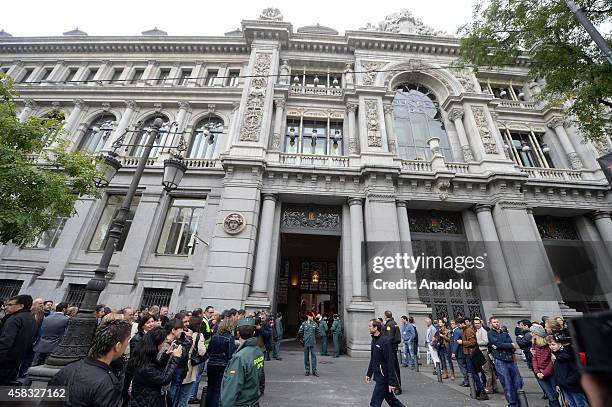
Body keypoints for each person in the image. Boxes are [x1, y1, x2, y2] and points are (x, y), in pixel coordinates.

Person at [49, 319, 132, 407]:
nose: (127, 344)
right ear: (118, 346)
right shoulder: (107, 385)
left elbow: (47, 402)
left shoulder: (67, 369)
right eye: (127, 340)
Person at [128, 326, 183, 407]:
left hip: (148, 398)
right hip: (145, 401)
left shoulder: (145, 354)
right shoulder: (145, 363)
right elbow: (164, 379)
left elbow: (156, 370)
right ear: (157, 343)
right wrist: (175, 359)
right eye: (163, 341)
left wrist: (166, 355)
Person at [220, 317, 264, 407]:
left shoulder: (239, 357)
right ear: (254, 332)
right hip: (252, 401)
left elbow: (231, 388)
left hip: (241, 403)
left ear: (238, 333)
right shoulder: (257, 351)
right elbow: (261, 378)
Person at [365, 319, 405, 407]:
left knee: (374, 403)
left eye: (370, 326)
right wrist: (369, 373)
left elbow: (390, 362)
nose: (368, 328)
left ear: (376, 328)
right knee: (392, 400)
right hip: (379, 375)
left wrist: (392, 382)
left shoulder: (385, 342)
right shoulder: (374, 340)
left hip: (383, 378)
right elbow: (373, 359)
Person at [0, 294, 37, 385]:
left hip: (4, 362)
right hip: (16, 361)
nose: (6, 307)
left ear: (21, 306)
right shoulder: (31, 319)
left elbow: (5, 343)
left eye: (10, 305)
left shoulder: (15, 319)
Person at [488, 316, 523, 407]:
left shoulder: (505, 333)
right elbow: (497, 344)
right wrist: (508, 345)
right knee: (507, 383)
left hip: (510, 359)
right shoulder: (490, 333)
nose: (497, 323)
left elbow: (511, 344)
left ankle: (520, 402)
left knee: (517, 382)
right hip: (500, 360)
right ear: (490, 324)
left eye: (497, 322)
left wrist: (506, 345)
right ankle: (512, 404)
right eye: (494, 322)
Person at [547, 335, 589, 407]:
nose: (551, 346)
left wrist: (567, 381)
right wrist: (558, 383)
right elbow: (557, 371)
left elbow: (577, 371)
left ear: (560, 344)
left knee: (580, 404)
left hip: (573, 385)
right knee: (571, 404)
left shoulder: (567, 354)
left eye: (553, 344)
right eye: (549, 345)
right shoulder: (556, 355)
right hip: (564, 385)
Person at [206, 317, 237, 407]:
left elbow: (209, 350)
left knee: (210, 387)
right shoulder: (229, 337)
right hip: (222, 364)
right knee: (218, 388)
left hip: (211, 363)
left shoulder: (214, 336)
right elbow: (230, 353)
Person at [458, 317, 488, 400]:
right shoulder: (465, 330)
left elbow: (473, 342)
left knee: (474, 373)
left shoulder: (468, 330)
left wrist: (462, 342)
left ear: (464, 323)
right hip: (469, 354)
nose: (459, 326)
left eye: (460, 324)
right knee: (473, 373)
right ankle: (478, 390)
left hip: (471, 354)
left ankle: (482, 391)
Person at [530, 324, 560, 407]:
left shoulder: (549, 344)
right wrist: (537, 372)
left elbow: (552, 361)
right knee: (550, 396)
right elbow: (534, 358)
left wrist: (544, 373)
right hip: (539, 373)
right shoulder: (534, 343)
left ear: (537, 334)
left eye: (532, 332)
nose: (530, 334)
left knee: (556, 395)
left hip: (550, 373)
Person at [180, 316, 207, 407]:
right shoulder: (199, 335)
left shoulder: (183, 333)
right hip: (190, 366)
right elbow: (202, 352)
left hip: (180, 364)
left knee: (177, 393)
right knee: (185, 394)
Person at [32, 302, 69, 366]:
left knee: (36, 365)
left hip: (41, 345)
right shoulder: (66, 319)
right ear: (64, 309)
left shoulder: (46, 318)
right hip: (54, 347)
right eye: (67, 308)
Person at [474, 317, 497, 393]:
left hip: (484, 351)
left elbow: (486, 341)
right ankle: (494, 386)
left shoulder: (483, 331)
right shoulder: (477, 331)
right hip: (481, 351)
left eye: (478, 323)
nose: (476, 325)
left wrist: (476, 342)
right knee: (487, 370)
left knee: (487, 370)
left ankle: (489, 388)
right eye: (475, 323)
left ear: (481, 323)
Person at [383, 310, 402, 394]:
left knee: (393, 368)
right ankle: (394, 385)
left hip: (391, 348)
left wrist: (386, 346)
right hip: (394, 347)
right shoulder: (395, 323)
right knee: (395, 367)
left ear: (385, 316)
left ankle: (397, 387)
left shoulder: (389, 324)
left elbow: (389, 337)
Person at [298, 311, 320, 376]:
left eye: (312, 316)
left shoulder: (315, 324)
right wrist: (302, 339)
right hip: (306, 342)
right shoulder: (304, 324)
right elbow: (300, 332)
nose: (312, 317)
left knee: (314, 357)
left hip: (313, 342)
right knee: (306, 357)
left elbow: (318, 332)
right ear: (308, 316)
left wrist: (313, 337)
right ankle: (307, 370)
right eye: (311, 316)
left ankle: (314, 370)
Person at [450, 319, 469, 387]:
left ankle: (467, 381)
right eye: (451, 323)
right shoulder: (457, 331)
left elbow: (456, 342)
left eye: (453, 323)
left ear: (456, 324)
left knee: (462, 367)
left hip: (460, 352)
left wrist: (453, 352)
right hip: (461, 352)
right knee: (464, 366)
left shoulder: (457, 331)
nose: (451, 325)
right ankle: (466, 380)